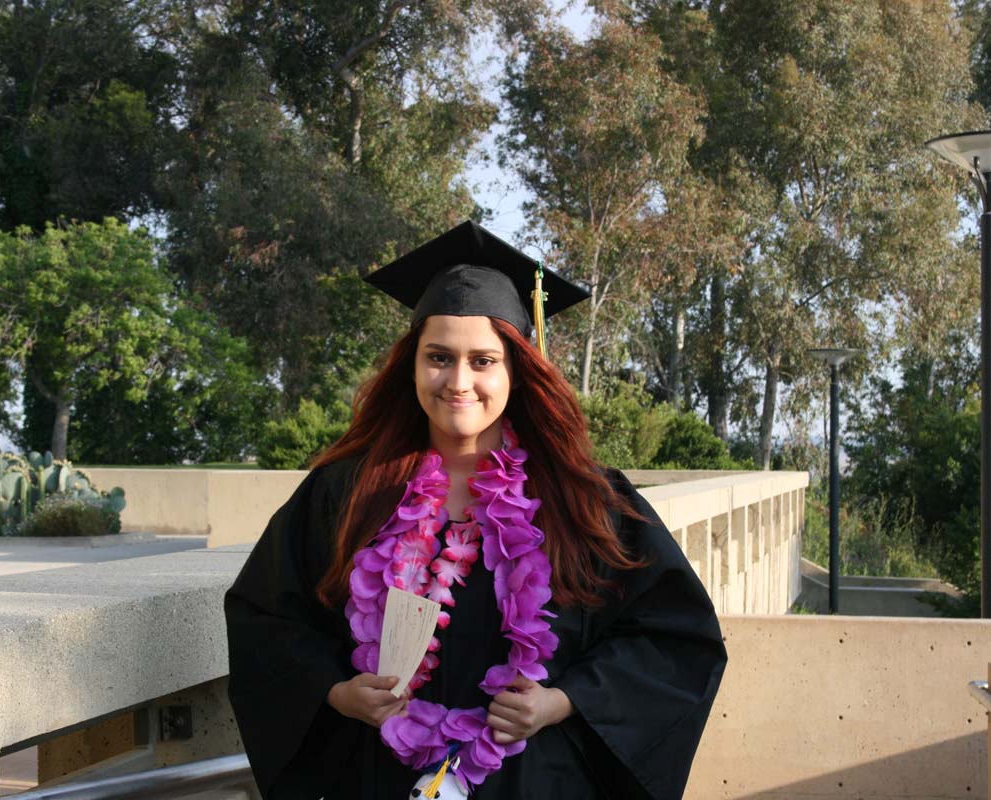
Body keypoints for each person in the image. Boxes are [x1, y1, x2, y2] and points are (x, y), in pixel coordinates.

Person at [225, 220, 726, 799]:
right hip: (382, 777)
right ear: (411, 365)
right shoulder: (346, 494)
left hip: (536, 779)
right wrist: (336, 691)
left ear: (517, 371)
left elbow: (673, 637)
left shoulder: (583, 500)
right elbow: (267, 619)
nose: (458, 381)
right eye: (438, 356)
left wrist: (562, 700)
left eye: (483, 360)